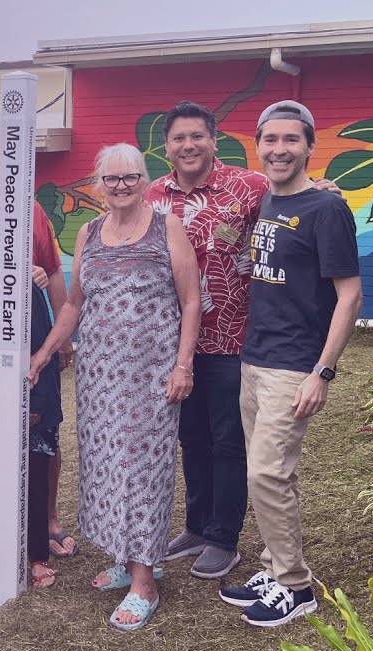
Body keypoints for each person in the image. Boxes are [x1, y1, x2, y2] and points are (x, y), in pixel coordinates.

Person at [31, 143, 201, 631]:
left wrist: (183, 365)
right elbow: (74, 305)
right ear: (98, 184)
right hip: (100, 377)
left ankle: (144, 581)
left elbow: (191, 301)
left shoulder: (166, 225)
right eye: (111, 178)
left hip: (152, 377)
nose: (121, 185)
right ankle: (127, 558)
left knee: (143, 471)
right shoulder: (88, 233)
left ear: (145, 179)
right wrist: (44, 354)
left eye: (130, 177)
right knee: (107, 466)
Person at [219, 101, 363, 628]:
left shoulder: (327, 209)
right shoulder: (266, 201)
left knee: (267, 473)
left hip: (294, 365)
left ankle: (296, 587)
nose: (279, 149)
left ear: (309, 146)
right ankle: (275, 567)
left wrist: (322, 371)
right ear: (259, 145)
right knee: (273, 476)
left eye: (291, 140)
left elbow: (349, 296)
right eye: (270, 140)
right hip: (254, 357)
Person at [144, 101, 269, 580]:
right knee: (190, 438)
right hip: (174, 345)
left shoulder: (249, 187)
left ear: (213, 140)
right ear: (167, 146)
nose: (188, 145)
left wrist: (320, 187)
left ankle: (223, 537)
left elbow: (292, 197)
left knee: (227, 441)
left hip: (233, 337)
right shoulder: (153, 196)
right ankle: (196, 526)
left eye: (197, 136)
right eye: (178, 138)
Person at [0, 127, 78, 560]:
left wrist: (62, 341)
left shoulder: (29, 210)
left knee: (42, 425)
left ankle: (46, 518)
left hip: (31, 344)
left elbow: (52, 271)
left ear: (5, 162)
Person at [0, 202, 62, 590]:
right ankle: (4, 555)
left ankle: (37, 556)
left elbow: (41, 348)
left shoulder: (25, 284)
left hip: (29, 397)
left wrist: (35, 406)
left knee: (34, 476)